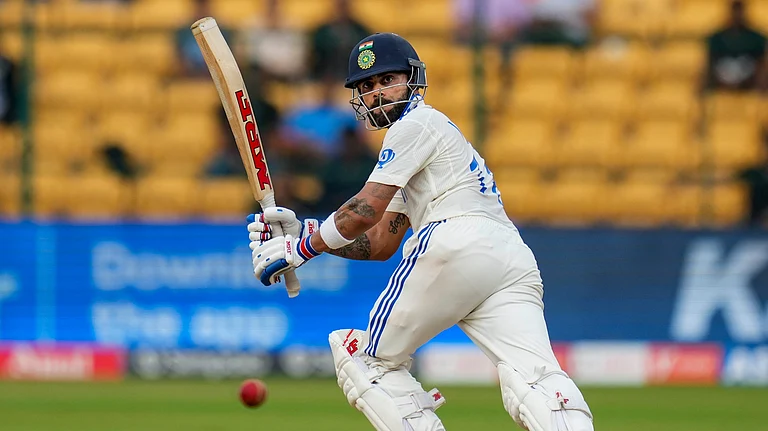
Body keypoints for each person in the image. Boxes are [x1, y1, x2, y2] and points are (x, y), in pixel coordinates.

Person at [247, 33, 594, 431]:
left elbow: (364, 209)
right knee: (539, 379)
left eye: (386, 80)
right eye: (367, 86)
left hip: (454, 240)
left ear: (412, 78)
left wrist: (301, 247)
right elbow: (379, 242)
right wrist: (307, 227)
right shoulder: (425, 139)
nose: (377, 93)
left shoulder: (415, 123)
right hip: (510, 259)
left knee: (364, 358)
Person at [704, 0, 768, 91]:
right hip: (722, 78)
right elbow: (710, 64)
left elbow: (761, 63)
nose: (737, 16)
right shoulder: (717, 38)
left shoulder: (756, 38)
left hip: (749, 79)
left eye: (739, 12)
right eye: (735, 12)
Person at [308, 0, 371, 82]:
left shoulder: (360, 31)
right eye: (339, 6)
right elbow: (314, 58)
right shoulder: (321, 32)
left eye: (344, 6)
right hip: (324, 78)